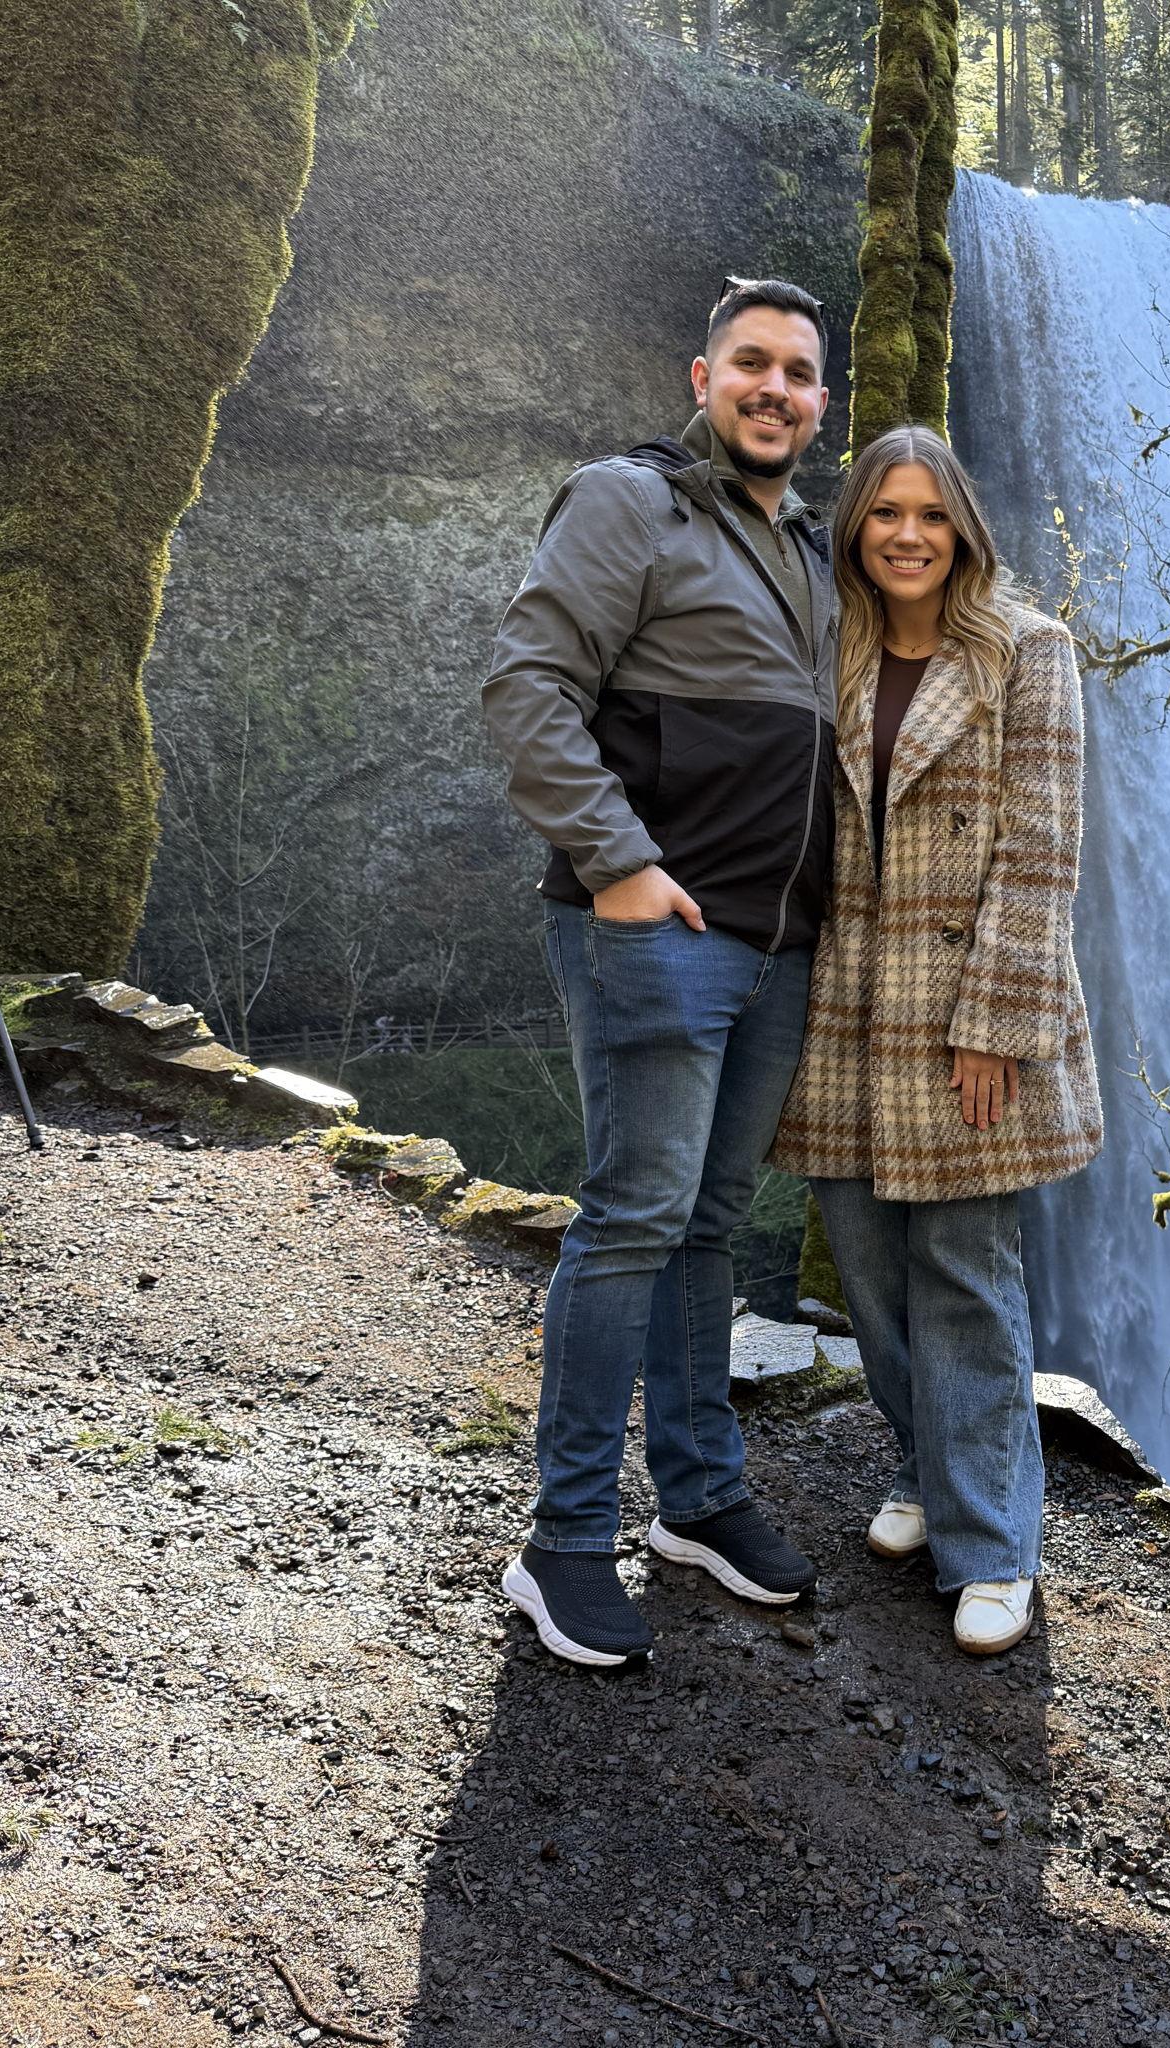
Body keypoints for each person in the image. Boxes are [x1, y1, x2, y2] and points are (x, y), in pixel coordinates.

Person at [480, 278, 838, 1667]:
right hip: (655, 930)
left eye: (799, 374)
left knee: (709, 1222)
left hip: (778, 943)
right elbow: (527, 688)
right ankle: (563, 1540)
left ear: (819, 403)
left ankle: (697, 1500)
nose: (774, 389)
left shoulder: (810, 544)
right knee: (633, 1216)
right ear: (703, 376)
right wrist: (621, 864)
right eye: (751, 364)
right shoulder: (631, 502)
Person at [771, 425, 1102, 1656]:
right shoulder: (831, 645)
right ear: (853, 528)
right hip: (845, 1009)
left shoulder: (1027, 651)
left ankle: (992, 1543)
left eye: (929, 513)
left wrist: (997, 1030)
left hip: (968, 1013)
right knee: (867, 1268)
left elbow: (1040, 854)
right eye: (881, 513)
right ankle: (922, 1469)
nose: (906, 534)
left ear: (962, 526)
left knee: (964, 1274)